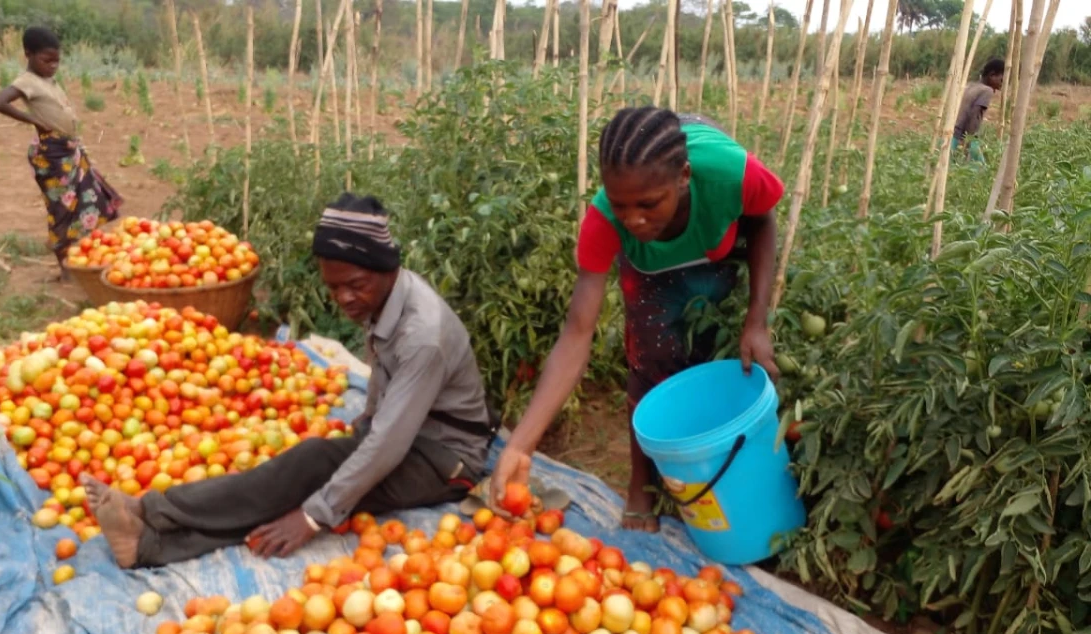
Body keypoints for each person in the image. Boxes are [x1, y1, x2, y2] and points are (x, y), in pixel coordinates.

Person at [83, 194, 494, 569]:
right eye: (333, 287)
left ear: (387, 269)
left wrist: (314, 516)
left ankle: (151, 532)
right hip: (413, 436)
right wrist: (364, 427)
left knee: (310, 480)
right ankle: (152, 519)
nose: (344, 298)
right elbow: (385, 391)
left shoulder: (423, 337)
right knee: (307, 470)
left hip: (445, 461)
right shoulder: (387, 298)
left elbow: (388, 444)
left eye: (355, 285)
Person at [490, 107, 784, 532]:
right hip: (650, 265)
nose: (633, 219)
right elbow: (577, 332)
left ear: (684, 176)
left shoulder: (730, 174)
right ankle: (642, 485)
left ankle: (722, 473)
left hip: (717, 242)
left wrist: (756, 319)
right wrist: (520, 445)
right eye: (620, 205)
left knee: (718, 353)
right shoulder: (606, 220)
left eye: (648, 204)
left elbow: (763, 219)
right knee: (649, 355)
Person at [0, 26, 122, 271]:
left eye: (56, 61)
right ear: (28, 54)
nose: (53, 65)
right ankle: (65, 266)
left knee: (88, 200)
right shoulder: (26, 82)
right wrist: (33, 120)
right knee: (61, 209)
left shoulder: (47, 80)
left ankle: (82, 255)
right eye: (46, 60)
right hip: (52, 155)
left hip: (69, 150)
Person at [953, 58, 1005, 165]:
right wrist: (968, 142)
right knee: (980, 170)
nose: (1003, 84)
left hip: (951, 135)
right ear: (992, 75)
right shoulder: (987, 91)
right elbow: (974, 115)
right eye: (1002, 80)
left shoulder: (970, 86)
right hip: (963, 137)